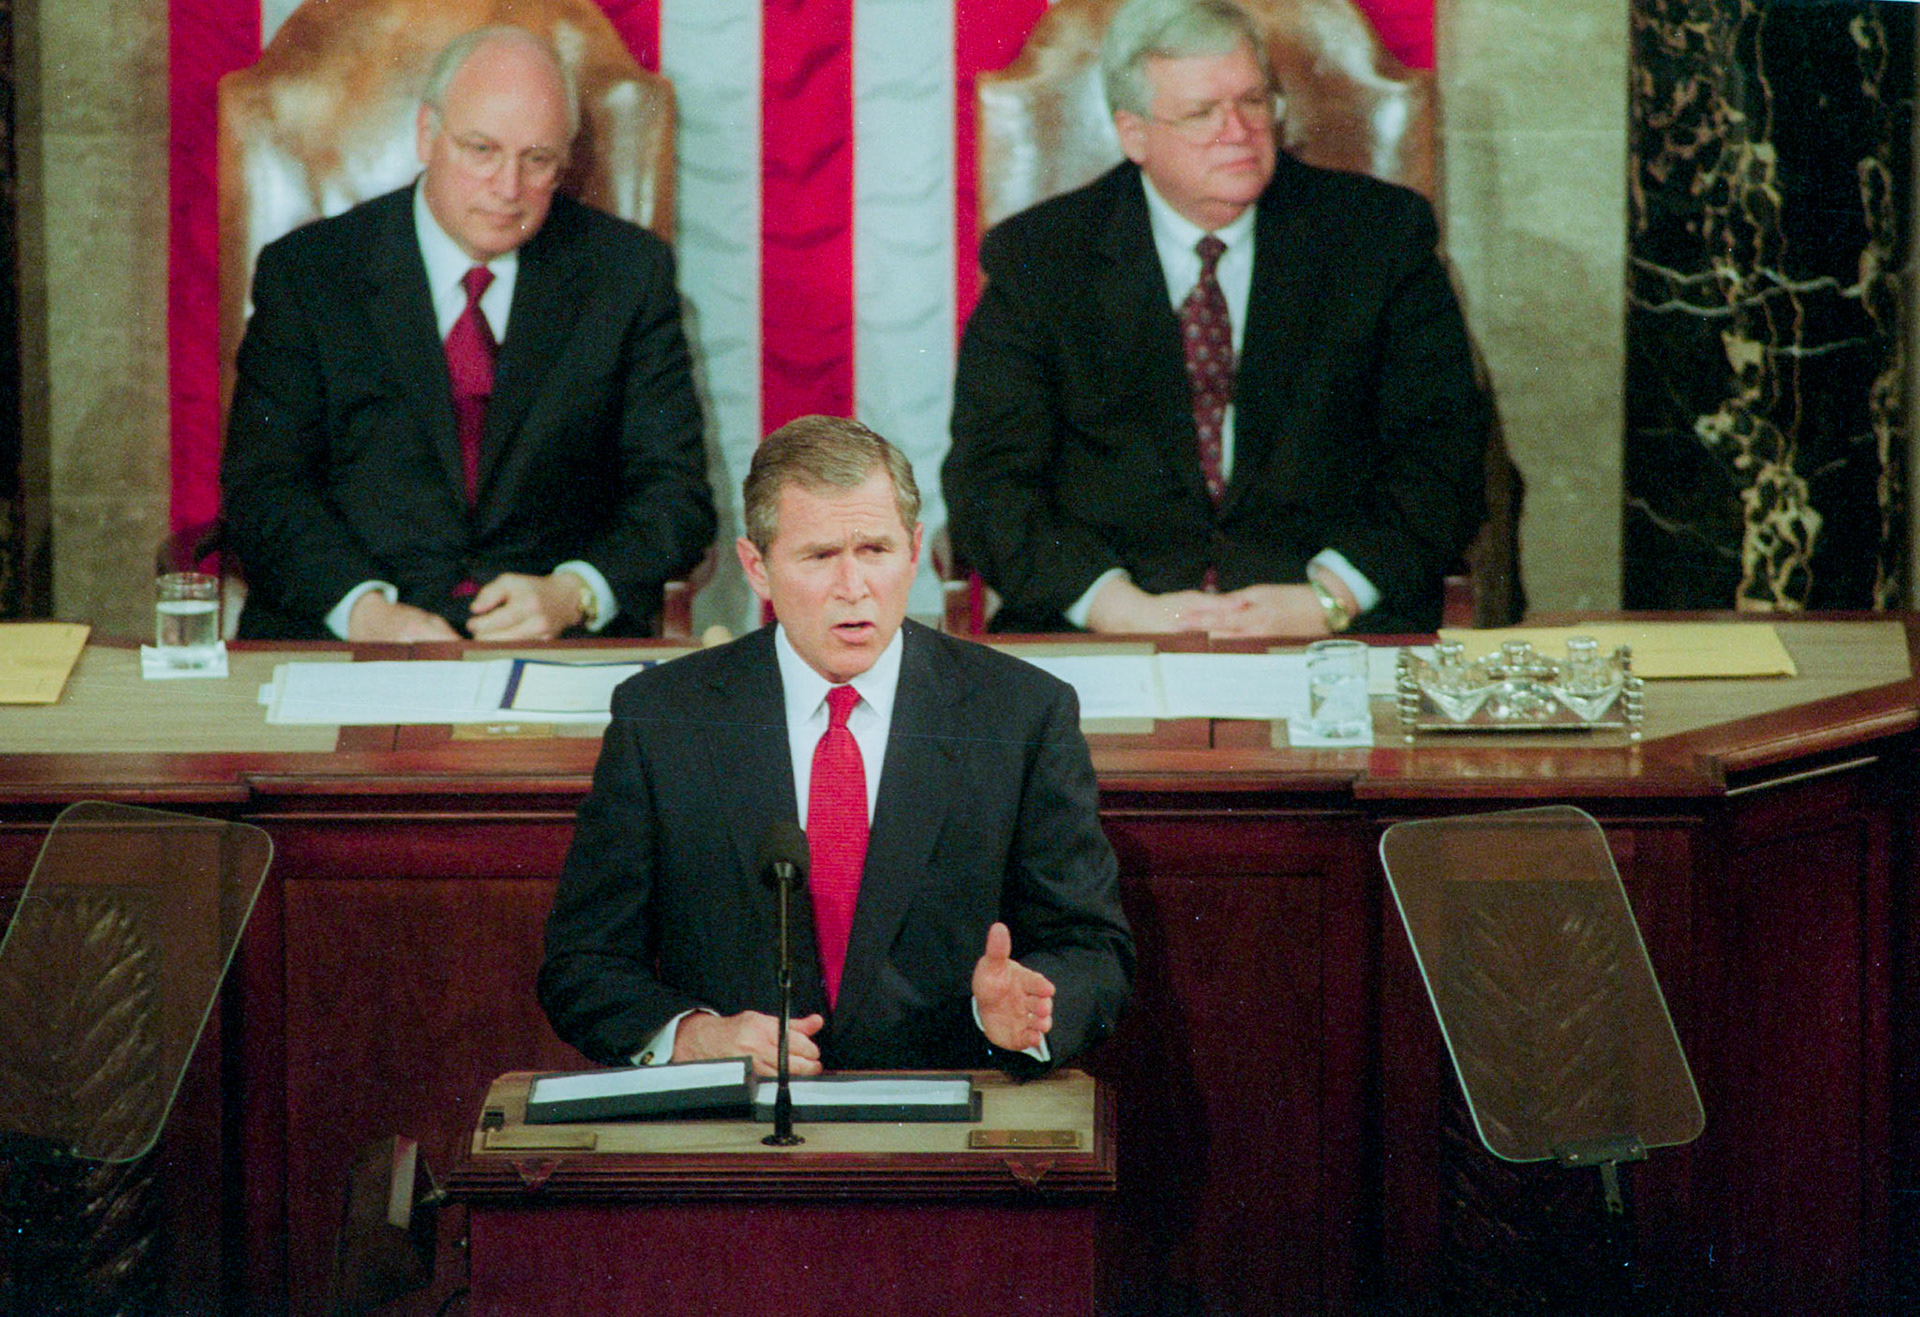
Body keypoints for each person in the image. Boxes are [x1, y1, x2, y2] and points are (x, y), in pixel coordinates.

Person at [540, 415, 1134, 1076]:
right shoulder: (663, 718)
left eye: (875, 550)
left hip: (947, 1122)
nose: (854, 587)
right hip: (736, 1138)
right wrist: (696, 1038)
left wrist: (1023, 1013)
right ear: (757, 567)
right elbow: (582, 964)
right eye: (820, 555)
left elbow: (1092, 950)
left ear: (914, 552)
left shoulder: (1022, 713)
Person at [944, 0, 1490, 638]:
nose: (1238, 131)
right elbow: (989, 481)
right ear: (1133, 133)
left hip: (1334, 626)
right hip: (1107, 627)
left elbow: (1442, 454)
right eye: (1202, 112)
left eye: (1253, 102)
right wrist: (1114, 606)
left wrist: (1330, 595)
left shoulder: (1379, 238)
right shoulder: (1040, 260)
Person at [221, 26, 714, 641]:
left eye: (537, 160)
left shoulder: (627, 273)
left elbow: (675, 494)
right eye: (481, 149)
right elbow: (263, 488)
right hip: (346, 637)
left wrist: (574, 593)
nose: (508, 190)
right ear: (428, 135)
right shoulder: (309, 274)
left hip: (553, 643)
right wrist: (363, 612)